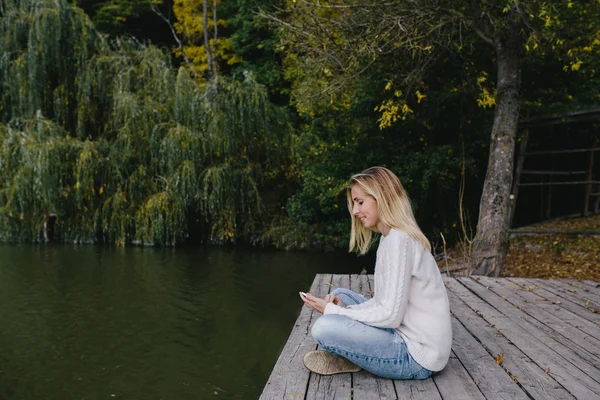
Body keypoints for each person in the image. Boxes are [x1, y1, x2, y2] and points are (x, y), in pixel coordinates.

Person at [300, 166, 452, 379]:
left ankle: (356, 356)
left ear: (382, 198)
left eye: (360, 202)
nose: (354, 211)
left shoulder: (400, 240)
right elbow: (383, 303)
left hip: (417, 355)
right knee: (342, 295)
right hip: (403, 329)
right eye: (354, 203)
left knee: (323, 328)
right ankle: (360, 354)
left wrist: (334, 313)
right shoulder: (389, 237)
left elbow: (390, 315)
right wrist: (342, 309)